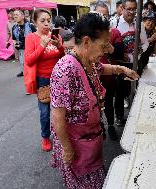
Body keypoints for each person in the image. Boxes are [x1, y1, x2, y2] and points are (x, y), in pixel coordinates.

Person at [50, 12, 139, 188]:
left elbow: (102, 68)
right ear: (86, 41)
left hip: (89, 141)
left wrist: (122, 69)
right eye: (104, 45)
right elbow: (58, 117)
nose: (107, 50)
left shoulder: (87, 61)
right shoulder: (65, 69)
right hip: (76, 147)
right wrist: (67, 150)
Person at [24, 8, 65, 152]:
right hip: (43, 81)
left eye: (49, 20)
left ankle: (62, 134)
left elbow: (63, 57)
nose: (47, 23)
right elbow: (28, 60)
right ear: (35, 22)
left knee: (61, 109)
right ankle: (46, 137)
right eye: (42, 21)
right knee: (45, 112)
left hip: (59, 78)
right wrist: (42, 45)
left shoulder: (55, 36)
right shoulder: (31, 38)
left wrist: (59, 46)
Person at [95, 1, 125, 140]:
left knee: (108, 101)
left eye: (105, 16)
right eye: (99, 15)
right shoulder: (87, 34)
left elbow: (119, 54)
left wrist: (110, 47)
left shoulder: (114, 32)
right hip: (93, 75)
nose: (102, 19)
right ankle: (98, 127)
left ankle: (111, 125)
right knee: (93, 104)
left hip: (110, 74)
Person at [116, 0, 149, 109]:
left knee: (135, 90)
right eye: (129, 9)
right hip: (120, 64)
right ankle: (119, 117)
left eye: (134, 9)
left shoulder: (139, 24)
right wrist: (118, 54)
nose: (132, 12)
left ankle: (134, 114)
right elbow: (108, 45)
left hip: (135, 64)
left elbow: (145, 43)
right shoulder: (115, 23)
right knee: (120, 92)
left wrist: (141, 50)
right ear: (122, 9)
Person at [12, 10, 36, 77]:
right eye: (14, 15)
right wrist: (15, 44)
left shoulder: (30, 26)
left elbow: (37, 36)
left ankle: (32, 74)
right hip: (21, 48)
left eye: (17, 14)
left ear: (22, 16)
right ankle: (24, 72)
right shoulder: (14, 27)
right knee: (22, 62)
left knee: (32, 63)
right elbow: (13, 38)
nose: (15, 16)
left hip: (31, 48)